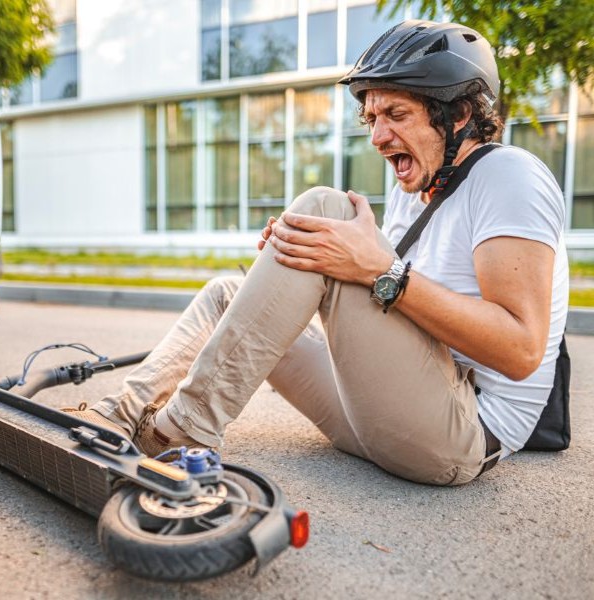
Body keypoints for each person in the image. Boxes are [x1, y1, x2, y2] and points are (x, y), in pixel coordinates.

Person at [66, 20, 569, 486]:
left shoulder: (508, 177)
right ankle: (114, 417)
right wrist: (294, 268)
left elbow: (521, 351)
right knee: (229, 293)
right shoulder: (412, 188)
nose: (378, 137)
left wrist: (378, 266)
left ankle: (180, 431)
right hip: (385, 412)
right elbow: (380, 302)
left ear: (459, 113)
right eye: (371, 118)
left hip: (460, 433)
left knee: (327, 210)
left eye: (396, 115)